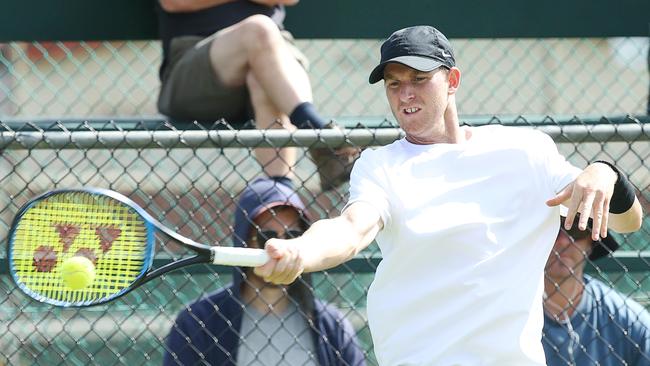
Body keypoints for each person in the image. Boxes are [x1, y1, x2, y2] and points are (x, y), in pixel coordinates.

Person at [252, 25, 644, 365]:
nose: (405, 94)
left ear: (452, 80)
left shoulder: (526, 152)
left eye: (419, 79)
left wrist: (605, 173)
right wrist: (301, 250)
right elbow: (351, 230)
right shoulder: (380, 165)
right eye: (394, 83)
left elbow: (629, 222)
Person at [162, 177, 366, 366]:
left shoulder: (332, 326)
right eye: (266, 237)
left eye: (292, 235)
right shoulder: (198, 323)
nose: (280, 249)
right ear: (244, 241)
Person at [155, 0, 356, 190]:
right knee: (259, 29)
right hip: (192, 74)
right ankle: (317, 132)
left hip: (273, 61)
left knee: (263, 63)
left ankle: (281, 202)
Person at [543, 213, 650, 365]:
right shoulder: (509, 310)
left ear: (592, 241)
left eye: (576, 230)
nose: (563, 241)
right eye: (552, 231)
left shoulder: (628, 319)